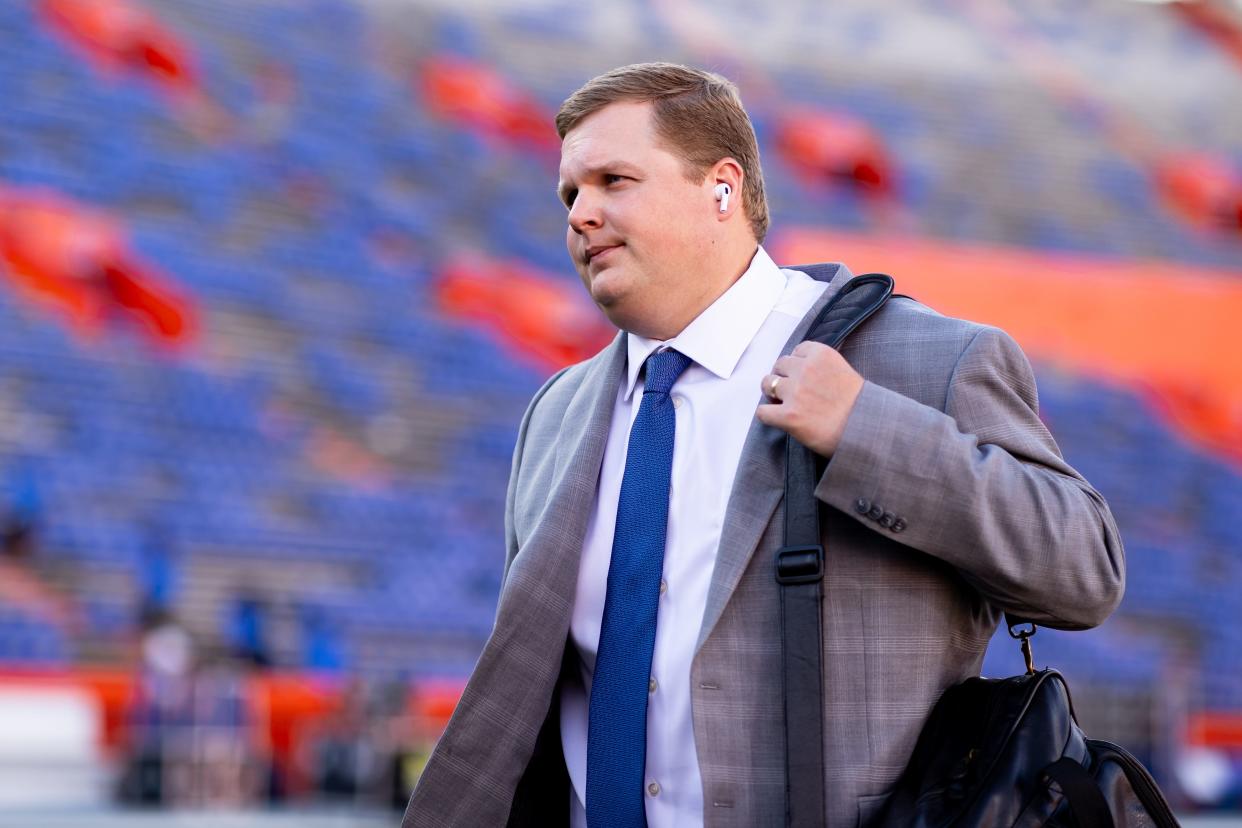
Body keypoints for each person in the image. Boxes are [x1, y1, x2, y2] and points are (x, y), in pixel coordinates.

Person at [402, 63, 1125, 827]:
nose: (581, 213)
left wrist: (867, 432)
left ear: (722, 188)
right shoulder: (555, 413)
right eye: (570, 194)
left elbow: (1084, 572)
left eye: (614, 180)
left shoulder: (924, 361)